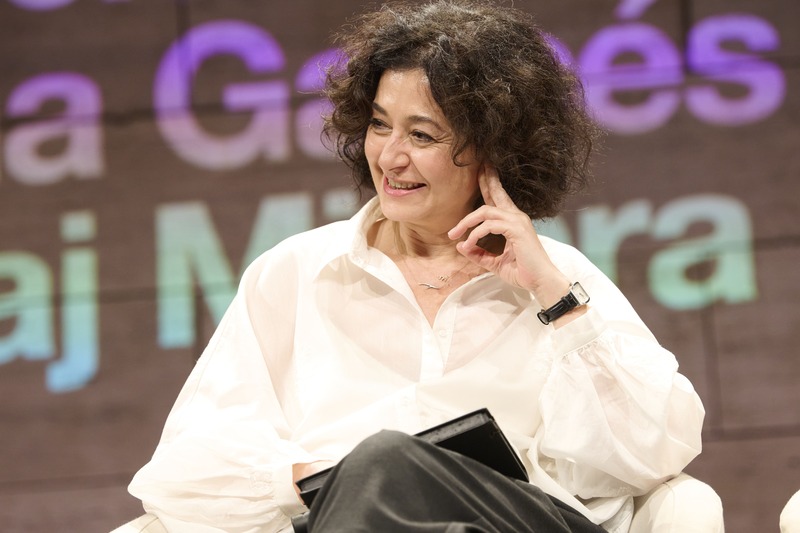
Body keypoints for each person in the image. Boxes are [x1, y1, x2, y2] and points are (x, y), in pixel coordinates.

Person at [127, 1, 705, 531]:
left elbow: (655, 453)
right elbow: (185, 472)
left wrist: (555, 298)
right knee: (377, 467)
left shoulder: (557, 278)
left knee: (384, 458)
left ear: (493, 148)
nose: (390, 156)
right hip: (339, 521)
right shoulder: (296, 272)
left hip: (515, 522)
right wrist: (324, 479)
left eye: (422, 135)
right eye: (380, 125)